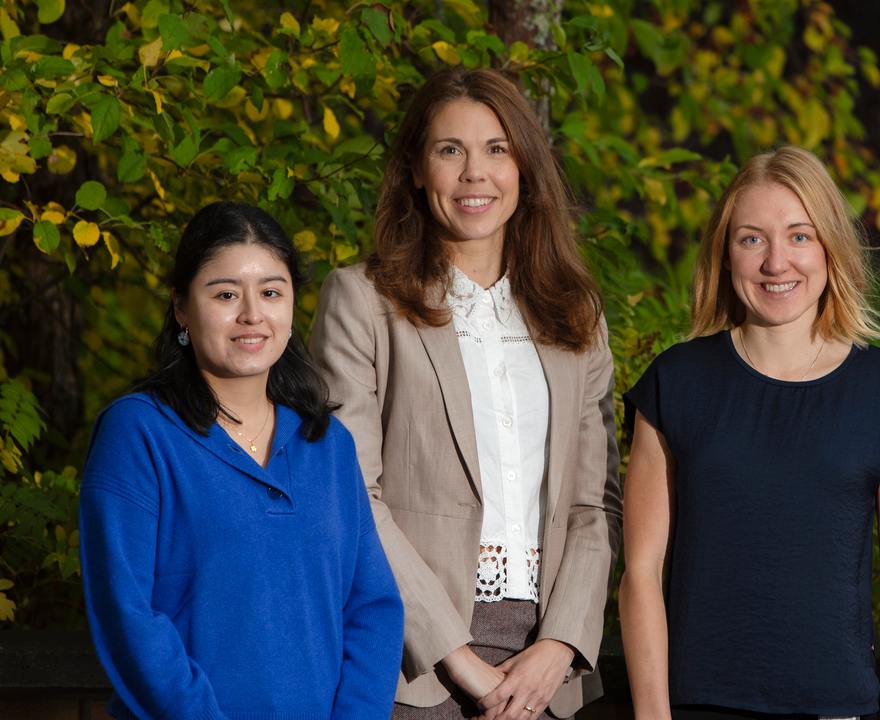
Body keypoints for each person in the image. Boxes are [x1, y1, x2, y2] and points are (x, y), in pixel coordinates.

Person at [310, 67, 621, 720]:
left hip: (548, 677)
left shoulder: (576, 315)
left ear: (524, 171)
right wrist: (457, 658)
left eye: (496, 149)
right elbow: (349, 495)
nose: (475, 173)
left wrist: (559, 645)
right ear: (416, 171)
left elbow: (595, 506)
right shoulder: (361, 301)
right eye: (450, 150)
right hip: (411, 668)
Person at [619, 145, 880, 720]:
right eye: (751, 239)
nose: (775, 263)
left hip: (840, 707)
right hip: (697, 705)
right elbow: (641, 571)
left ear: (830, 247)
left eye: (799, 236)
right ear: (725, 253)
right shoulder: (676, 382)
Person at [79, 202, 404, 720]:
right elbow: (129, 617)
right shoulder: (138, 434)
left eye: (271, 292)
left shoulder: (329, 445)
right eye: (226, 294)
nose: (252, 314)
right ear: (182, 307)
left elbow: (373, 609)